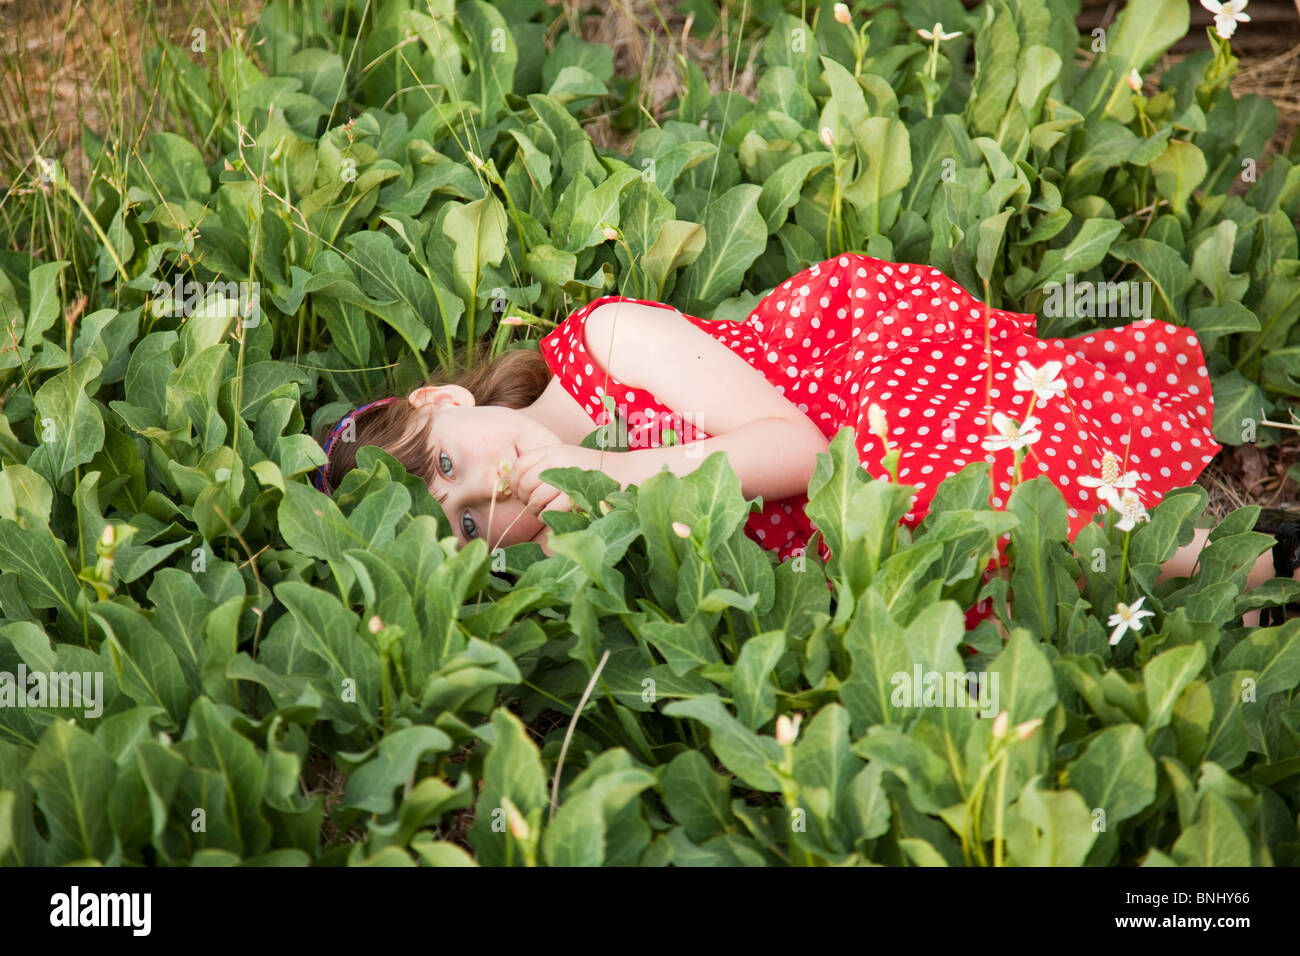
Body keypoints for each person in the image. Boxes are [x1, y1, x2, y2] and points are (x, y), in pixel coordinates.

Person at [311, 252, 1300, 629]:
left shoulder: (603, 344)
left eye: (448, 461)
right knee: (938, 586)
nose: (485, 487)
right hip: (822, 517)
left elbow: (793, 447)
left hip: (848, 398)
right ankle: (1201, 587)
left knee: (952, 472)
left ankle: (1242, 563)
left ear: (447, 397)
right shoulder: (566, 543)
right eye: (469, 522)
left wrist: (609, 473)